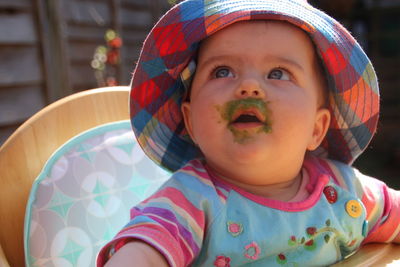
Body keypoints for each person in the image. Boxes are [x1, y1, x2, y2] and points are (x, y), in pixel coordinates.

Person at [97, 0, 400, 266]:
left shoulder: (344, 190)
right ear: (190, 121)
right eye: (222, 71)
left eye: (278, 73)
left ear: (317, 128)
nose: (249, 86)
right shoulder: (189, 201)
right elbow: (145, 249)